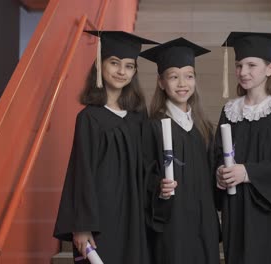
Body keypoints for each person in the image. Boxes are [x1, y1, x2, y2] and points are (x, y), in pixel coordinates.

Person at [53, 30, 158, 263]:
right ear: (100, 65)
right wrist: (82, 226)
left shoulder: (138, 117)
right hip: (100, 219)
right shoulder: (89, 118)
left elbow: (147, 166)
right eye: (114, 63)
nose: (122, 71)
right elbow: (81, 174)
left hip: (135, 215)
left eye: (129, 66)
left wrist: (161, 185)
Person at [215, 32, 271, 264]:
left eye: (251, 65)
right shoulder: (229, 111)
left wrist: (247, 172)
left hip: (269, 209)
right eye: (239, 65)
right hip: (236, 208)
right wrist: (219, 174)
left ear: (270, 68)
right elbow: (217, 154)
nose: (243, 72)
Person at [140, 38, 220, 264]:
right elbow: (143, 172)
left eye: (189, 75)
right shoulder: (152, 126)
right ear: (161, 82)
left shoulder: (203, 127)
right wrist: (158, 186)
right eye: (174, 76)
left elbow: (213, 173)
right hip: (171, 222)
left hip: (204, 221)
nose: (182, 83)